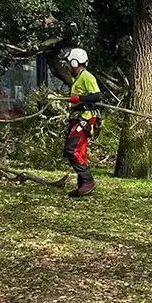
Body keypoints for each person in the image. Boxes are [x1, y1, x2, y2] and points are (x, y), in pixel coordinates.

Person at [61, 47, 103, 198]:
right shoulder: (77, 78)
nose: (66, 66)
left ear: (74, 62)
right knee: (80, 152)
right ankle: (82, 187)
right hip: (77, 117)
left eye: (67, 63)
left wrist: (80, 99)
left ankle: (88, 181)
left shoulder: (87, 77)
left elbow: (98, 96)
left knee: (71, 150)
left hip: (85, 119)